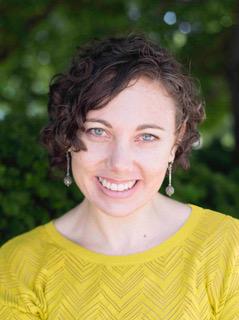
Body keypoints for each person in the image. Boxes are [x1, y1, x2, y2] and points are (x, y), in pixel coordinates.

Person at [0, 33, 238, 320]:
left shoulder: (229, 249)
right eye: (98, 131)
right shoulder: (17, 266)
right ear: (68, 135)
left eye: (147, 136)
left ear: (175, 143)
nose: (119, 163)